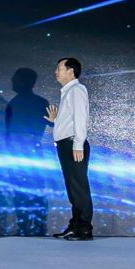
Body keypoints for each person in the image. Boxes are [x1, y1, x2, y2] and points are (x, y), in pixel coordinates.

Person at [43, 56, 94, 241]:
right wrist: (56, 121)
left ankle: (84, 228)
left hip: (73, 144)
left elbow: (81, 118)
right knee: (73, 188)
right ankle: (75, 226)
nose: (56, 72)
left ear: (71, 71)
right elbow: (70, 120)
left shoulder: (77, 90)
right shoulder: (68, 91)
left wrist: (78, 144)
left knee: (79, 187)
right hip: (67, 144)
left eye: (59, 69)